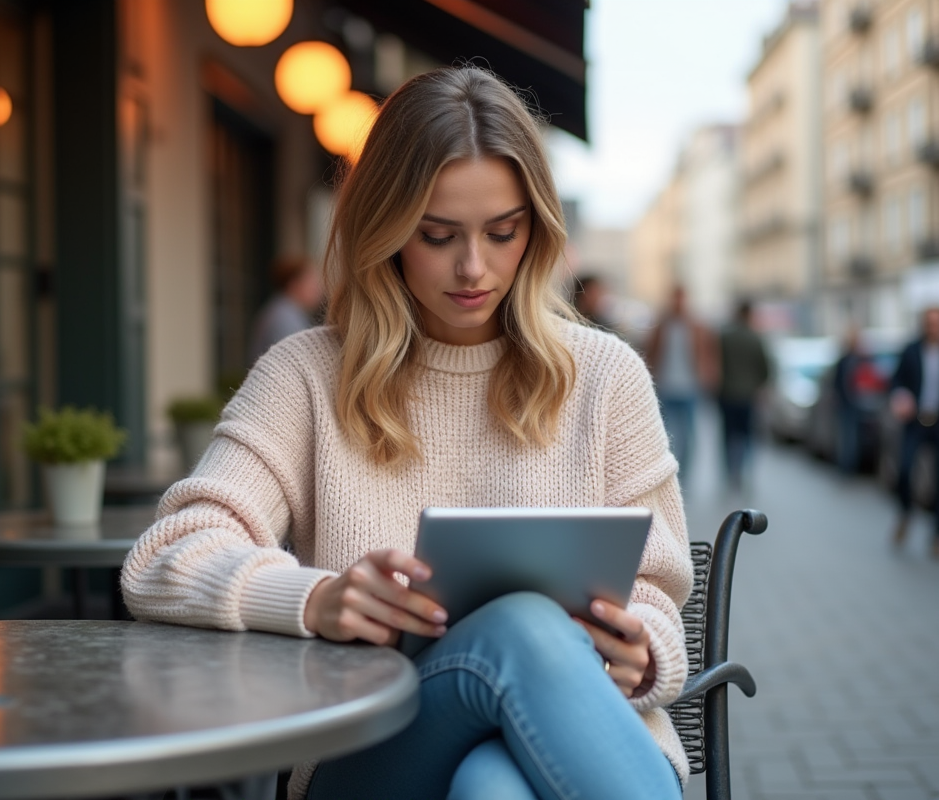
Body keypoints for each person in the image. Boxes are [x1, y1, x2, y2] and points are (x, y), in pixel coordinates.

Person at [122, 67, 693, 800]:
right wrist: (314, 600)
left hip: (573, 742)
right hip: (373, 755)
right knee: (519, 630)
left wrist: (641, 651)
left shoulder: (606, 376)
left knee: (492, 787)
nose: (473, 267)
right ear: (385, 229)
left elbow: (657, 590)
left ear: (538, 228)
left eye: (503, 232)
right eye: (436, 235)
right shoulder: (305, 374)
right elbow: (163, 558)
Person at [889, 306, 939, 561]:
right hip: (915, 421)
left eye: (937, 323)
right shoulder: (911, 350)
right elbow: (896, 381)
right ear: (924, 325)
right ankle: (906, 512)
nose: (933, 328)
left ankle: (938, 535)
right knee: (905, 469)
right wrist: (900, 396)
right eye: (929, 323)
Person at [644, 285, 717, 488]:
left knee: (689, 435)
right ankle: (668, 473)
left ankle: (684, 475)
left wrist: (708, 377)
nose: (678, 302)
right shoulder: (661, 326)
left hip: (689, 388)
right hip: (665, 387)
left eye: (681, 298)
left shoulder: (696, 326)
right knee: (664, 435)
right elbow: (650, 352)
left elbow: (708, 353)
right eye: (675, 298)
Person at [716, 300, 769, 490]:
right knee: (747, 437)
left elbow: (717, 365)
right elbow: (765, 368)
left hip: (727, 394)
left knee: (728, 437)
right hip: (748, 396)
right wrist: (758, 386)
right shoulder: (755, 338)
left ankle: (731, 474)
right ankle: (746, 474)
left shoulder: (725, 337)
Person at [248, 254, 325, 365]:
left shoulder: (281, 310)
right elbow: (296, 362)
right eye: (311, 283)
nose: (318, 289)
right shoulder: (285, 318)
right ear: (294, 284)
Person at [833, 326, 875, 474]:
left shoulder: (862, 359)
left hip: (860, 403)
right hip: (847, 403)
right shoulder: (845, 360)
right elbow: (837, 382)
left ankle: (852, 465)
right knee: (847, 436)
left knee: (855, 436)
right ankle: (846, 466)